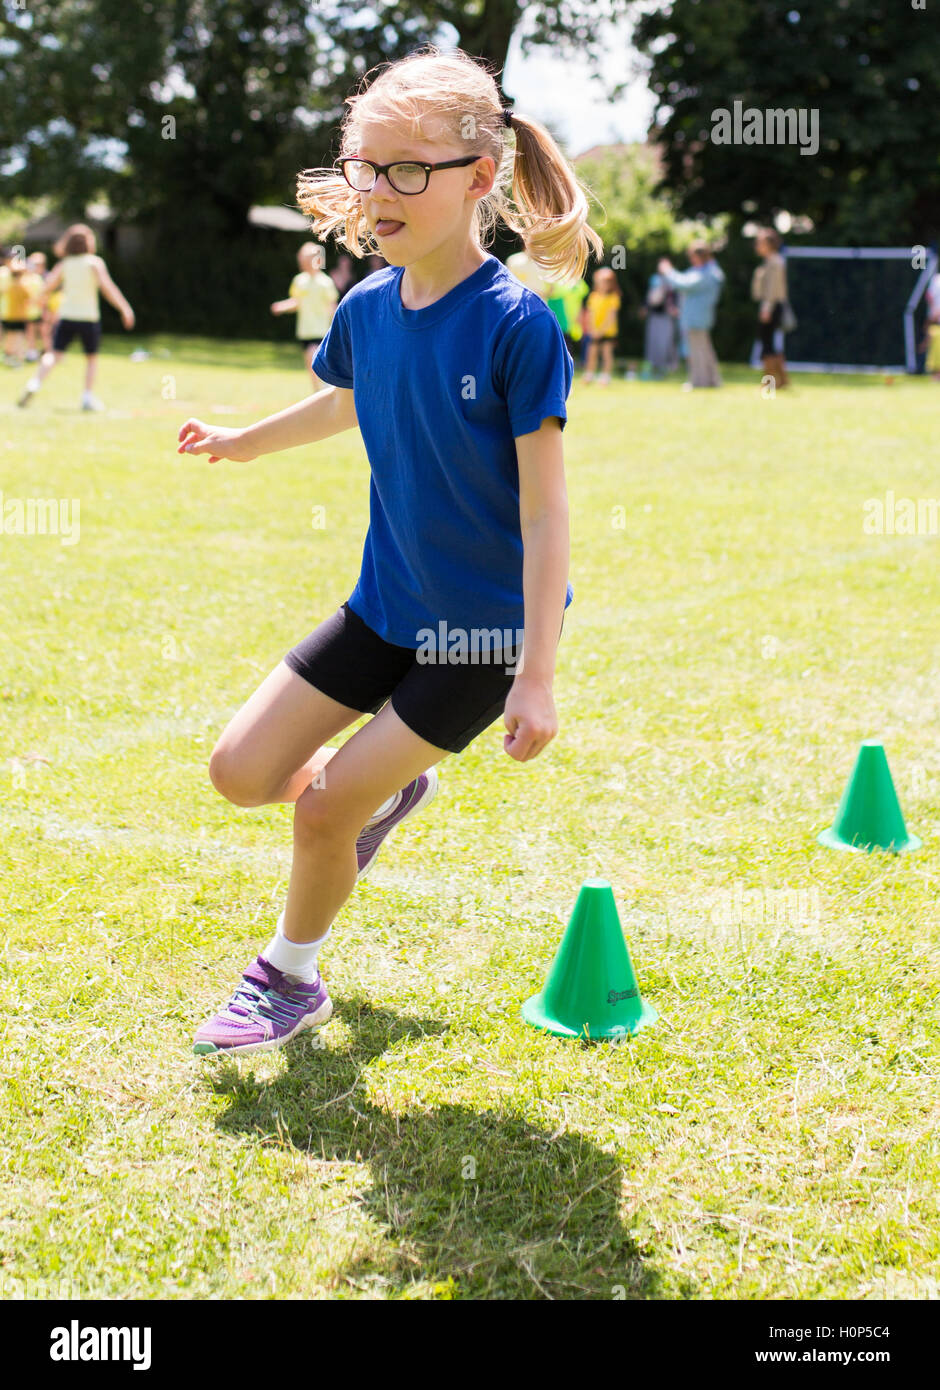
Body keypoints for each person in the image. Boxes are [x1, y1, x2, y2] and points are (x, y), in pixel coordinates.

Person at [176, 44, 602, 1057]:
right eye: (366, 166)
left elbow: (547, 516)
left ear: (478, 179)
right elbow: (342, 400)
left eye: (409, 169)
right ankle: (390, 786)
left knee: (323, 814)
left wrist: (535, 676)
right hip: (384, 605)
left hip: (478, 639)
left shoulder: (517, 325)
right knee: (239, 771)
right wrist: (242, 439)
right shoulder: (369, 307)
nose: (379, 191)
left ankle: (288, 977)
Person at [17, 224, 135, 411]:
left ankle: (34, 384)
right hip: (89, 318)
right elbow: (108, 288)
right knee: (91, 358)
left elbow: (47, 286)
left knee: (53, 354)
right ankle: (87, 397)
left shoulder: (64, 264)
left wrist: (35, 302)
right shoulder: (94, 263)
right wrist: (125, 308)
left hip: (67, 316)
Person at [658, 243, 724, 388]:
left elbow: (684, 284)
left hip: (696, 318)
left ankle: (698, 382)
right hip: (700, 317)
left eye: (692, 256)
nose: (691, 260)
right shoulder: (710, 271)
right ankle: (713, 381)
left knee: (697, 352)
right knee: (705, 351)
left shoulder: (706, 273)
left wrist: (668, 271)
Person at [270, 242, 338, 381]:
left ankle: (325, 387)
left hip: (320, 330)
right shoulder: (299, 281)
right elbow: (296, 301)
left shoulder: (325, 283)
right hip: (305, 331)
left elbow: (332, 306)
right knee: (310, 365)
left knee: (312, 357)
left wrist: (339, 326)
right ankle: (319, 391)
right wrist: (282, 306)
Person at [751, 227, 789, 388]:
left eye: (760, 242)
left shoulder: (775, 262)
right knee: (770, 344)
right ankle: (782, 381)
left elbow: (773, 290)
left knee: (768, 345)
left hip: (772, 307)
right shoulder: (769, 262)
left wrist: (767, 308)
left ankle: (770, 384)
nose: (757, 246)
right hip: (770, 306)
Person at [583, 266, 620, 384]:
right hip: (594, 331)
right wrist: (592, 329)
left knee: (606, 354)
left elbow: (611, 317)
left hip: (607, 332)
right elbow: (590, 314)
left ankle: (605, 376)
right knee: (591, 353)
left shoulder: (613, 298)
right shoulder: (593, 297)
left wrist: (601, 331)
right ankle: (589, 375)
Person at [640, 271, 678, 378]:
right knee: (653, 344)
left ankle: (664, 369)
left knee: (665, 344)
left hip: (666, 318)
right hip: (654, 317)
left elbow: (674, 303)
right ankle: (652, 368)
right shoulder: (655, 280)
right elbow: (649, 300)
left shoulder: (672, 285)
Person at [1, 252, 32, 366]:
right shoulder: (23, 286)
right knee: (18, 338)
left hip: (8, 314)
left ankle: (9, 357)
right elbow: (29, 299)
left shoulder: (10, 287)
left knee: (9, 337)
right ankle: (17, 359)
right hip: (20, 315)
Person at [24, 252, 48, 360]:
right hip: (30, 311)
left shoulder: (43, 277)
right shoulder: (30, 278)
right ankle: (32, 352)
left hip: (41, 310)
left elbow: (44, 296)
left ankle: (47, 352)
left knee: (44, 332)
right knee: (30, 332)